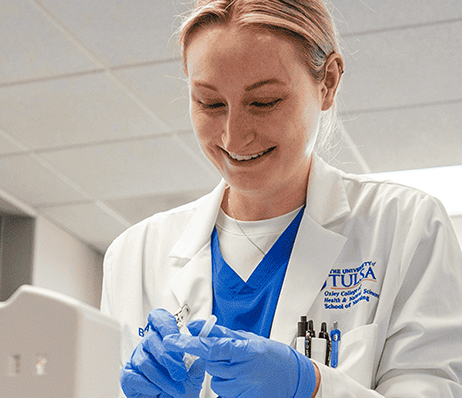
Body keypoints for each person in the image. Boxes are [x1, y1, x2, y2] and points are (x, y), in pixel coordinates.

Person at [100, 0, 462, 397]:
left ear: (327, 82)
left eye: (264, 101)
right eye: (210, 103)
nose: (234, 138)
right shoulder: (134, 256)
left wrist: (312, 387)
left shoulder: (407, 226)